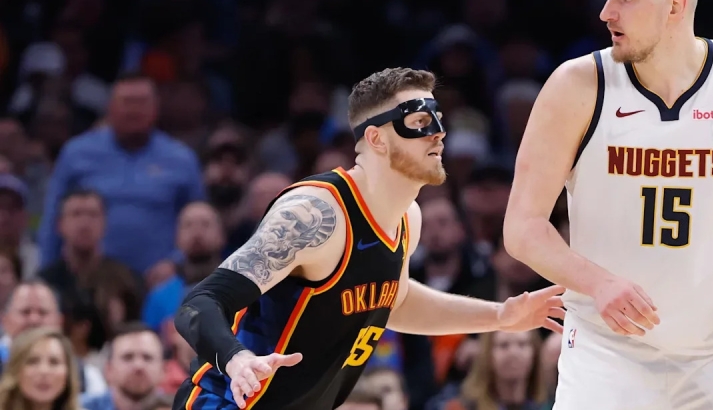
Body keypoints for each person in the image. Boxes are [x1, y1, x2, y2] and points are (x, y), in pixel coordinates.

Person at [173, 67, 566, 410]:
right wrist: (237, 358)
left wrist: (500, 317)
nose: (438, 133)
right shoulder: (315, 214)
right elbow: (200, 303)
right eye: (420, 121)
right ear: (377, 139)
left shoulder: (408, 218)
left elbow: (396, 301)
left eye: (439, 119)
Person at [503, 0, 713, 409]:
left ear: (675, 5)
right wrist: (597, 282)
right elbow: (522, 227)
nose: (606, 12)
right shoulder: (577, 86)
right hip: (606, 353)